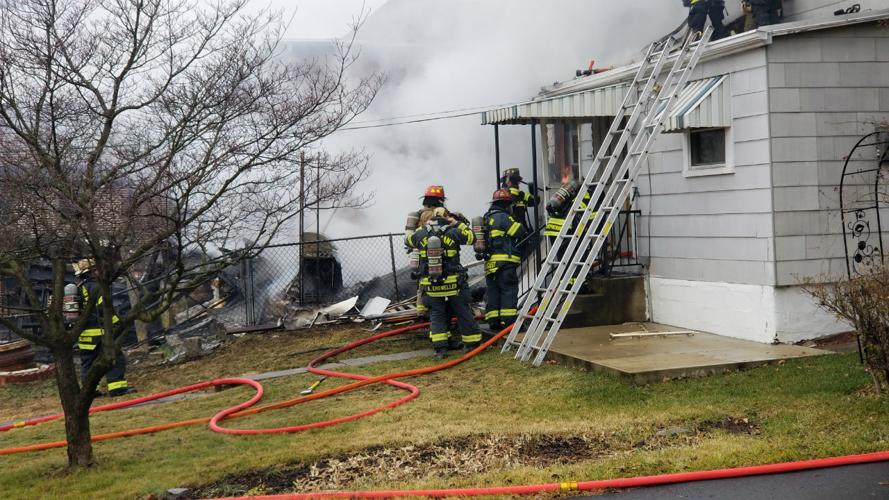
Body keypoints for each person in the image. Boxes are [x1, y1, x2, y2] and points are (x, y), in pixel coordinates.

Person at [407, 208, 482, 358]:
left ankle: (440, 348)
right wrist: (458, 223)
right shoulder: (453, 231)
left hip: (431, 283)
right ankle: (471, 344)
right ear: (447, 218)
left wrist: (421, 226)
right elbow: (471, 238)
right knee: (462, 311)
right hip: (454, 284)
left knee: (437, 314)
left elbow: (408, 241)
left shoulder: (421, 233)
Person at [73, 259, 132, 397]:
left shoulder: (77, 289)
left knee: (88, 363)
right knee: (115, 358)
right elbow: (105, 310)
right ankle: (117, 388)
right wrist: (118, 323)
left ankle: (89, 392)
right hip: (100, 333)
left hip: (84, 336)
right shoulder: (96, 287)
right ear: (92, 272)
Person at [481, 189, 526, 331]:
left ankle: (494, 321)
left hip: (490, 263)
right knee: (509, 290)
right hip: (505, 262)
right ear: (507, 204)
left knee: (493, 291)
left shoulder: (486, 217)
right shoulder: (503, 217)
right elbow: (519, 231)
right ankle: (509, 322)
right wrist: (519, 217)